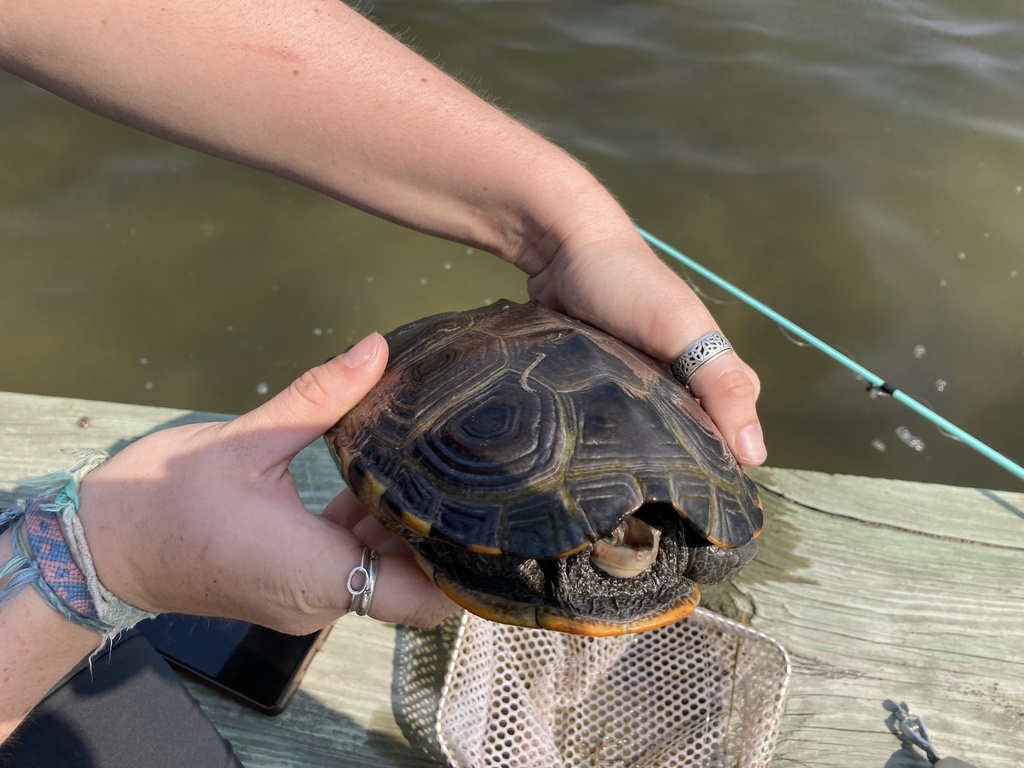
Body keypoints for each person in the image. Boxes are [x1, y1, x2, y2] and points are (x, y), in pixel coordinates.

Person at [0, 0, 766, 756]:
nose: (633, 534)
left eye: (629, 532)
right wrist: (107, 566)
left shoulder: (683, 545)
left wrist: (574, 230)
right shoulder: (540, 560)